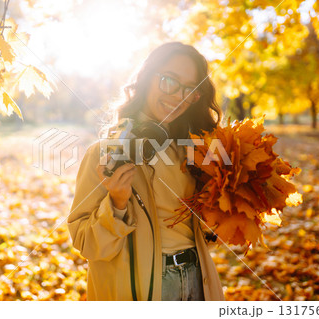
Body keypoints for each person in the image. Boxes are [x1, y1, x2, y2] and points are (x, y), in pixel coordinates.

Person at [68, 42, 225, 301]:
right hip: (140, 291)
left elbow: (210, 231)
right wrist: (116, 204)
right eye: (169, 81)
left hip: (198, 280)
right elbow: (86, 243)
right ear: (145, 79)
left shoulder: (198, 151)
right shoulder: (104, 155)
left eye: (190, 90)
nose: (179, 96)